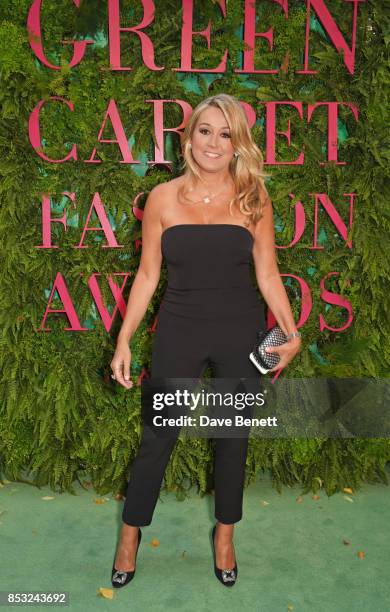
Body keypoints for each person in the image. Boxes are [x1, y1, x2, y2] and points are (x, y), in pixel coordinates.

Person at [109, 93, 302, 588]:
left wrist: (291, 328)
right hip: (179, 326)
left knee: (232, 437)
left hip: (241, 330)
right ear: (188, 137)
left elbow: (268, 273)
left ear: (237, 143)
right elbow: (148, 275)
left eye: (224, 133)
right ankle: (130, 534)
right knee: (159, 434)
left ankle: (225, 535)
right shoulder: (162, 199)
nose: (213, 142)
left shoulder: (253, 197)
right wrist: (125, 340)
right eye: (204, 131)